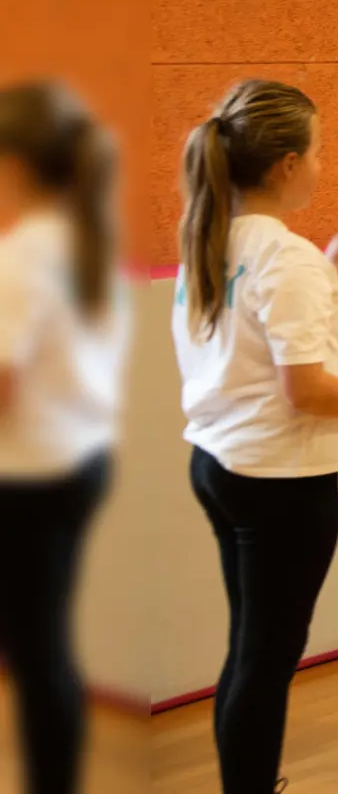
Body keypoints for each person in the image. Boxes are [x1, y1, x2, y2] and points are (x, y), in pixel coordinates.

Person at [172, 79, 338, 793]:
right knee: (266, 655)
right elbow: (302, 387)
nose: (320, 165)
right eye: (317, 152)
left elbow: (254, 334)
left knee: (251, 647)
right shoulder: (284, 257)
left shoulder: (216, 241)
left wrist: (332, 270)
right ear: (283, 164)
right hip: (279, 480)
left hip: (222, 464)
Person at [0, 81, 127, 794]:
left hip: (28, 475)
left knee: (38, 648)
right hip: (73, 462)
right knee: (43, 644)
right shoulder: (84, 243)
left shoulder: (22, 258)